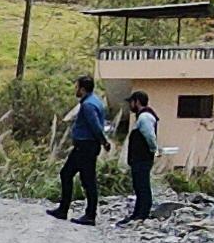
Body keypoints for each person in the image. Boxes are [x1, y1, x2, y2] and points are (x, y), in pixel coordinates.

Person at [53, 76, 112, 224]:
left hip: (85, 146)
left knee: (77, 177)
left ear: (83, 89)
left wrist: (104, 141)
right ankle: (67, 209)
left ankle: (84, 213)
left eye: (77, 87)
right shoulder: (95, 101)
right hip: (87, 146)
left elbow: (95, 126)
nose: (75, 90)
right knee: (80, 177)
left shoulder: (88, 106)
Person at [118, 90, 160, 221]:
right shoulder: (143, 116)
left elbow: (150, 136)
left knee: (142, 186)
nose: (130, 105)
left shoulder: (144, 117)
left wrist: (154, 149)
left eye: (131, 102)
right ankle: (138, 213)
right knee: (139, 185)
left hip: (142, 158)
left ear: (137, 102)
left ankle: (142, 213)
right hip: (140, 158)